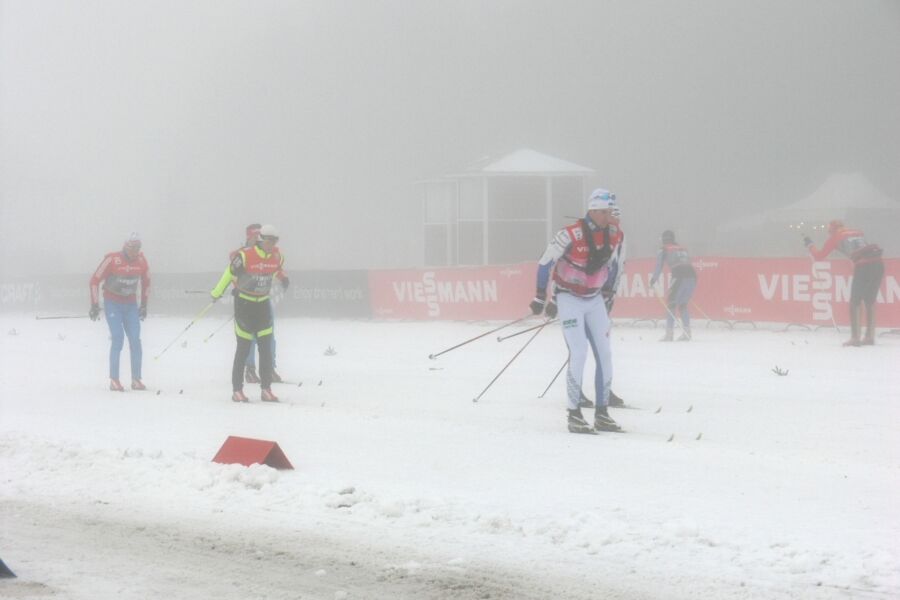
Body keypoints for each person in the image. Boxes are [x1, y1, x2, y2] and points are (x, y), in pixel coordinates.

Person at [531, 188, 624, 434]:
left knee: (605, 354)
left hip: (594, 300)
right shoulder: (570, 234)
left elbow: (613, 266)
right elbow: (545, 262)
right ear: (593, 210)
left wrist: (608, 292)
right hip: (569, 298)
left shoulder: (615, 233)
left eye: (611, 212)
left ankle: (602, 413)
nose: (610, 217)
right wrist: (541, 297)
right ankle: (574, 414)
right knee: (579, 352)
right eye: (605, 212)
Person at [211, 224, 288, 403]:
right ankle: (237, 390)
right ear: (261, 239)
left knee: (266, 348)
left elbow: (275, 268)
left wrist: (283, 278)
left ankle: (266, 389)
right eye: (268, 241)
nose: (271, 244)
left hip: (262, 305)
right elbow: (228, 274)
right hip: (244, 304)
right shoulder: (245, 256)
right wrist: (217, 292)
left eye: (274, 241)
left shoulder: (277, 256)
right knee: (244, 348)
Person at [805, 220, 884, 346]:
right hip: (878, 264)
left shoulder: (835, 237)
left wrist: (810, 245)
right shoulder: (857, 232)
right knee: (870, 301)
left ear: (831, 230)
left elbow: (819, 256)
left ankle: (855, 338)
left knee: (855, 302)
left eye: (829, 231)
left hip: (863, 266)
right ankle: (869, 336)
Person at [89, 232, 151, 391]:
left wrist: (143, 304)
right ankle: (114, 379)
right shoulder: (112, 259)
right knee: (118, 338)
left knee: (136, 340)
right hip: (113, 304)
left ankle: (136, 379)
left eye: (138, 248)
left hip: (130, 304)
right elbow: (94, 280)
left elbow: (147, 283)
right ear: (126, 246)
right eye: (132, 248)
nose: (134, 252)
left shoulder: (142, 261)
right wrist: (95, 304)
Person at [233, 224, 283, 384]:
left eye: (258, 235)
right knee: (249, 340)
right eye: (253, 235)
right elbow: (233, 273)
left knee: (268, 337)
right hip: (246, 301)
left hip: (263, 299)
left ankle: (270, 369)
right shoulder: (242, 254)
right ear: (248, 237)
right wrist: (236, 289)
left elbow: (275, 268)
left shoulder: (269, 252)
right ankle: (250, 369)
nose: (256, 238)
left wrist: (283, 278)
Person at [649, 230, 697, 342]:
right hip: (692, 276)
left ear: (664, 239)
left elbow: (659, 266)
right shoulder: (681, 247)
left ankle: (669, 334)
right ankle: (687, 332)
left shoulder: (664, 249)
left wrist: (653, 280)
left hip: (679, 275)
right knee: (683, 304)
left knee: (671, 304)